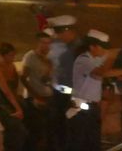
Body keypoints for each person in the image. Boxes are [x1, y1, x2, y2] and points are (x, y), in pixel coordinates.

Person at [66, 29, 122, 150]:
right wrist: (111, 57)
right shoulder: (83, 60)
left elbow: (108, 71)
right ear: (92, 47)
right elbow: (101, 73)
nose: (105, 51)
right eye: (103, 47)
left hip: (92, 108)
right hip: (81, 110)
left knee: (93, 143)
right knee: (81, 143)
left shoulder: (94, 59)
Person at [47, 15, 80, 148]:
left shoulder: (77, 49)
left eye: (60, 32)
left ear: (68, 30)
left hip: (72, 95)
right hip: (60, 93)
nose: (58, 35)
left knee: (69, 130)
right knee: (59, 128)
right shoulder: (61, 45)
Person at [0, 42, 27, 151]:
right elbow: (6, 92)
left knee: (30, 113)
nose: (13, 58)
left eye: (13, 55)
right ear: (3, 56)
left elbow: (13, 89)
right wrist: (18, 109)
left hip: (9, 100)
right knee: (16, 127)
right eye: (10, 55)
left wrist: (19, 102)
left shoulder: (12, 66)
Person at [20, 31, 55, 150]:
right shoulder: (30, 56)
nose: (46, 46)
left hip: (48, 96)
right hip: (33, 98)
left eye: (48, 43)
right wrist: (35, 96)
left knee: (49, 129)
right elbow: (23, 78)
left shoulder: (50, 57)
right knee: (35, 130)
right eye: (43, 43)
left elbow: (47, 79)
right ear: (38, 43)